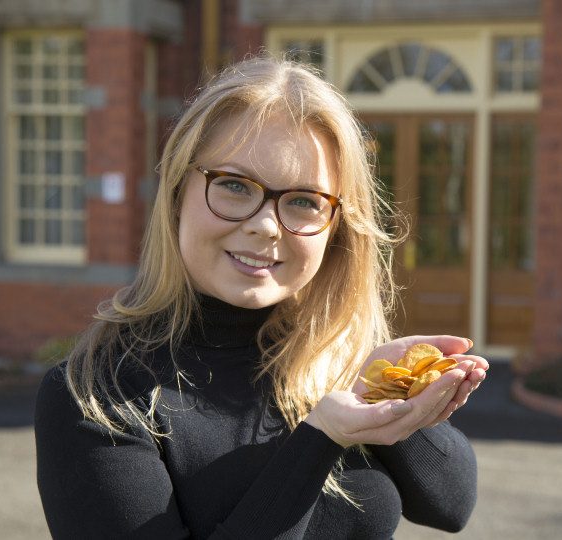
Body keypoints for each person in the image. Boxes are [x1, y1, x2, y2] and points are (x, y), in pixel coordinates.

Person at [34, 56, 488, 539]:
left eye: (303, 201)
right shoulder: (95, 395)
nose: (266, 225)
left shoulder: (333, 364)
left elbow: (450, 505)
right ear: (176, 193)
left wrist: (385, 391)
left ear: (335, 228)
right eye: (234, 185)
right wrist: (319, 441)